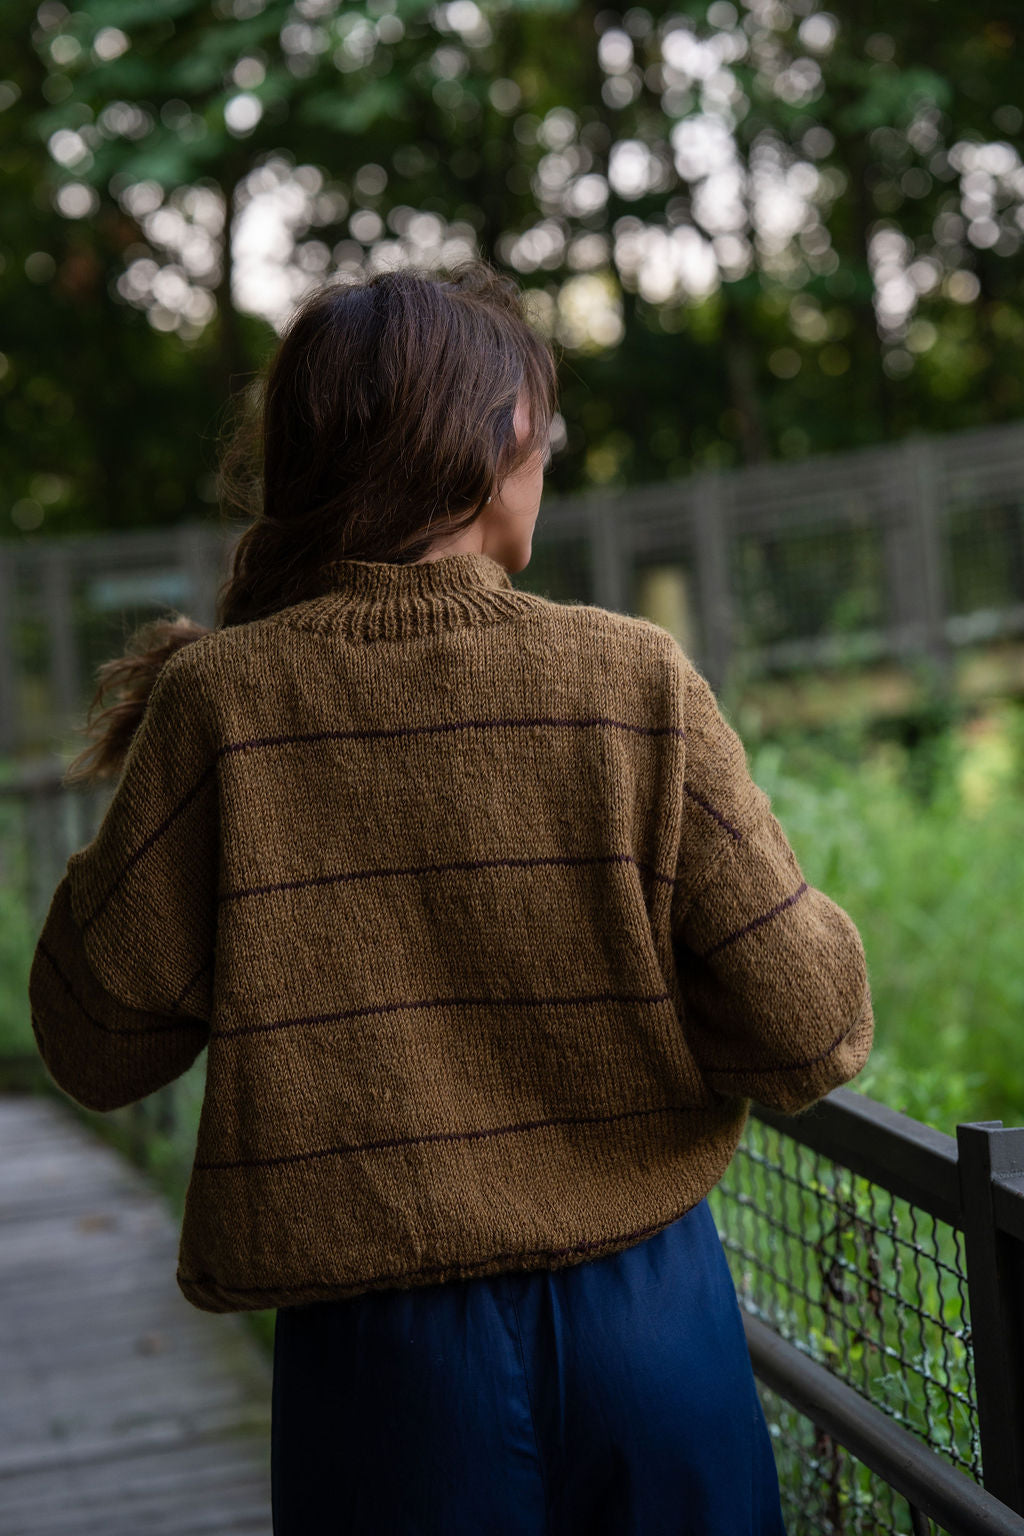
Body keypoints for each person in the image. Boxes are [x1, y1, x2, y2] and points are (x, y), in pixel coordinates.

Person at [28, 259, 873, 1535]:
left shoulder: (225, 706)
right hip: (651, 1326)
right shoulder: (629, 679)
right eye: (542, 428)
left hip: (379, 1371)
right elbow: (811, 1027)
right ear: (489, 448)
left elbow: (91, 1042)